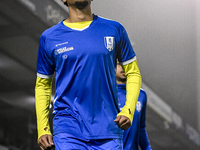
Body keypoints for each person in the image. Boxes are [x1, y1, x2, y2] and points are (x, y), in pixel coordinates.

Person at [35, 0, 142, 150]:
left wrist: (128, 110)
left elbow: (133, 73)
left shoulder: (115, 29)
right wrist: (43, 128)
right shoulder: (49, 37)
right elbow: (42, 85)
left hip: (108, 130)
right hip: (68, 129)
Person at [116, 60, 151, 150]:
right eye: (120, 64)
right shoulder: (104, 94)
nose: (124, 67)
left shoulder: (141, 95)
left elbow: (141, 128)